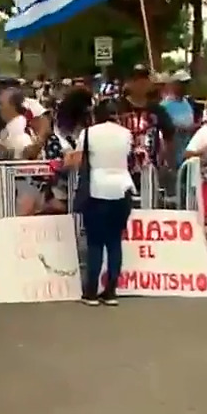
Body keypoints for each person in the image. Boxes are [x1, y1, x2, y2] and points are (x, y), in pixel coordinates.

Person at [66, 99, 136, 306]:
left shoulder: (88, 133)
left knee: (95, 242)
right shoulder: (126, 133)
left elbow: (77, 160)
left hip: (97, 189)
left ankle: (91, 292)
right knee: (114, 241)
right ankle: (111, 290)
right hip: (123, 188)